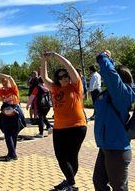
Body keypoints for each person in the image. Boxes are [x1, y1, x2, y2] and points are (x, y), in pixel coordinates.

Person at [92, 50, 135, 191]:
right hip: (106, 146)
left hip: (117, 148)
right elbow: (111, 76)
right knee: (99, 182)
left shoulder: (123, 94)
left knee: (119, 187)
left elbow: (110, 75)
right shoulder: (112, 94)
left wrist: (103, 57)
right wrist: (110, 62)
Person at [40, 52, 87, 191]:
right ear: (57, 79)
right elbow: (44, 76)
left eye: (66, 75)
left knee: (72, 156)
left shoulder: (75, 86)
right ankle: (70, 182)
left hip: (77, 126)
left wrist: (55, 55)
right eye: (61, 77)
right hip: (59, 128)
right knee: (61, 156)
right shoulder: (54, 88)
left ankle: (70, 184)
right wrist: (44, 61)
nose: (64, 78)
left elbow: (69, 65)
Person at [0, 72, 25, 162]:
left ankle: (12, 154)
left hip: (15, 114)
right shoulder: (2, 91)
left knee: (13, 134)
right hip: (6, 115)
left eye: (6, 82)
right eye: (3, 82)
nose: (4, 83)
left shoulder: (14, 89)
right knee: (8, 134)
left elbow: (9, 77)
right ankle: (12, 154)